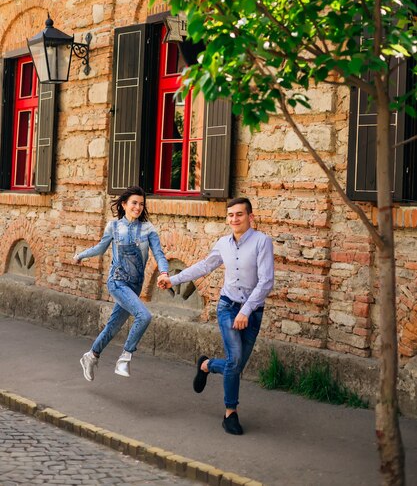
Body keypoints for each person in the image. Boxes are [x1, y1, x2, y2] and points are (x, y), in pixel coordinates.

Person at [158, 197, 274, 436]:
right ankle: (230, 413)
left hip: (252, 312)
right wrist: (173, 279)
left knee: (237, 365)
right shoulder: (223, 244)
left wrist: (246, 311)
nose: (234, 219)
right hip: (227, 307)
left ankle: (206, 365)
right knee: (235, 360)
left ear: (250, 217)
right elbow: (203, 267)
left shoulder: (262, 242)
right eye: (230, 215)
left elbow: (266, 281)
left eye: (239, 214)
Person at [74, 186, 169, 381]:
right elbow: (100, 248)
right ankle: (125, 358)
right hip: (117, 282)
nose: (138, 207)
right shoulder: (114, 227)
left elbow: (158, 254)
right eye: (134, 203)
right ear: (124, 204)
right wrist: (81, 255)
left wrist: (164, 271)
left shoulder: (148, 229)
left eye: (141, 204)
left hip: (134, 286)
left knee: (113, 326)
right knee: (144, 316)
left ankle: (91, 356)